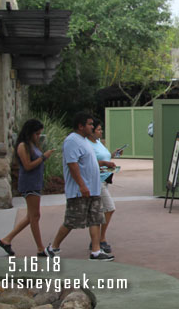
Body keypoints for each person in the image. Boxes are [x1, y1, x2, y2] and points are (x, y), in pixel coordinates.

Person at [46, 112, 114, 261]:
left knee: (96, 219)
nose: (92, 126)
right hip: (80, 191)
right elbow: (72, 164)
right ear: (80, 126)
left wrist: (103, 164)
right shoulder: (72, 141)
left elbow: (88, 162)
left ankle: (96, 251)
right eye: (89, 124)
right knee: (72, 221)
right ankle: (53, 247)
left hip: (94, 189)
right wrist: (82, 185)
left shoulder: (85, 141)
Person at [0, 119, 55, 257]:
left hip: (35, 182)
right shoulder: (22, 146)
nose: (38, 136)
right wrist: (43, 157)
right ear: (29, 132)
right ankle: (40, 248)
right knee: (34, 216)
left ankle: (6, 239)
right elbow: (28, 165)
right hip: (29, 183)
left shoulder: (31, 144)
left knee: (32, 216)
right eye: (36, 133)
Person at [87, 118, 124, 253]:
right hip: (97, 181)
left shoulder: (97, 142)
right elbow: (89, 163)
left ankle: (96, 240)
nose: (101, 132)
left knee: (102, 210)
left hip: (105, 178)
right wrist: (104, 164)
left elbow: (104, 157)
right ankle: (100, 239)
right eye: (98, 129)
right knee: (109, 208)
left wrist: (114, 154)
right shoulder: (87, 145)